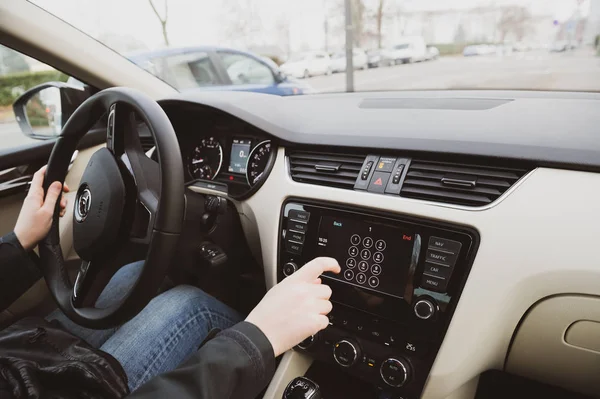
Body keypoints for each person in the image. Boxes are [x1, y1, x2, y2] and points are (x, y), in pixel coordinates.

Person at [0, 166, 242, 393]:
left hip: (16, 355)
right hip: (64, 390)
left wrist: (21, 239)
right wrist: (259, 339)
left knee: (139, 272)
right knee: (194, 304)